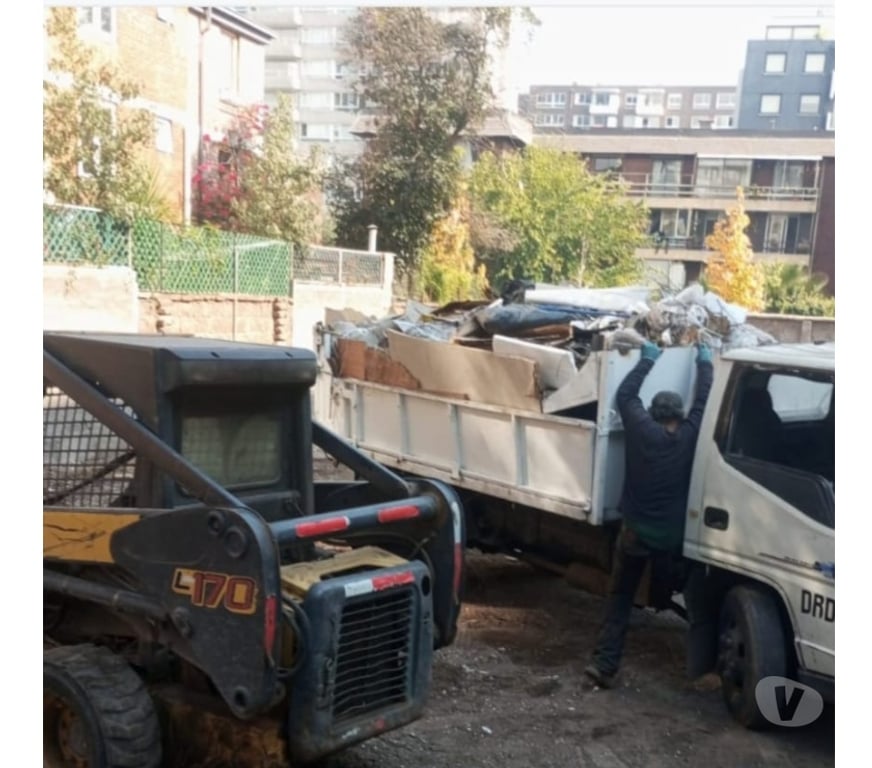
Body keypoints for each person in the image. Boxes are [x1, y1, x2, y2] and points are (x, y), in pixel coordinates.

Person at [584, 339, 714, 689]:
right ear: (679, 416)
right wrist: (704, 362)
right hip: (673, 541)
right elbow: (705, 398)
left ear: (654, 415)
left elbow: (626, 396)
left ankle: (604, 665)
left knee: (621, 599)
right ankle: (703, 672)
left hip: (635, 535)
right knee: (698, 606)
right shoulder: (689, 435)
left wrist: (646, 361)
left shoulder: (641, 432)